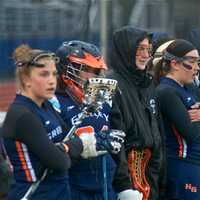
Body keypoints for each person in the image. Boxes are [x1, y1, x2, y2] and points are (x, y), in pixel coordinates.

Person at [1, 44, 125, 200]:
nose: (51, 81)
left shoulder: (46, 106)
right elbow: (59, 162)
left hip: (58, 192)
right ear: (26, 79)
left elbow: (64, 147)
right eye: (44, 74)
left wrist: (93, 141)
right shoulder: (22, 114)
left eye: (53, 74)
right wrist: (82, 144)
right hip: (34, 194)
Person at [54, 40, 143, 200]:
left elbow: (117, 148)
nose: (94, 76)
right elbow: (54, 152)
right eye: (87, 69)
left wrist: (123, 186)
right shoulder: (54, 104)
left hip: (105, 185)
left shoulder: (104, 101)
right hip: (73, 186)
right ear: (67, 68)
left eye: (96, 70)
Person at [108, 26, 165, 200]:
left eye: (149, 49)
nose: (146, 55)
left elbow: (157, 134)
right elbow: (115, 140)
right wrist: (124, 185)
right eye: (140, 49)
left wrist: (161, 179)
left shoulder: (147, 84)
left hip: (151, 174)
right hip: (129, 177)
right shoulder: (112, 84)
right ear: (126, 49)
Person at [154, 39, 200, 200]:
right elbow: (191, 133)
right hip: (182, 167)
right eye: (192, 62)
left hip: (194, 167)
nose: (197, 68)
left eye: (198, 62)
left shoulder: (189, 88)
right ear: (174, 63)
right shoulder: (166, 91)